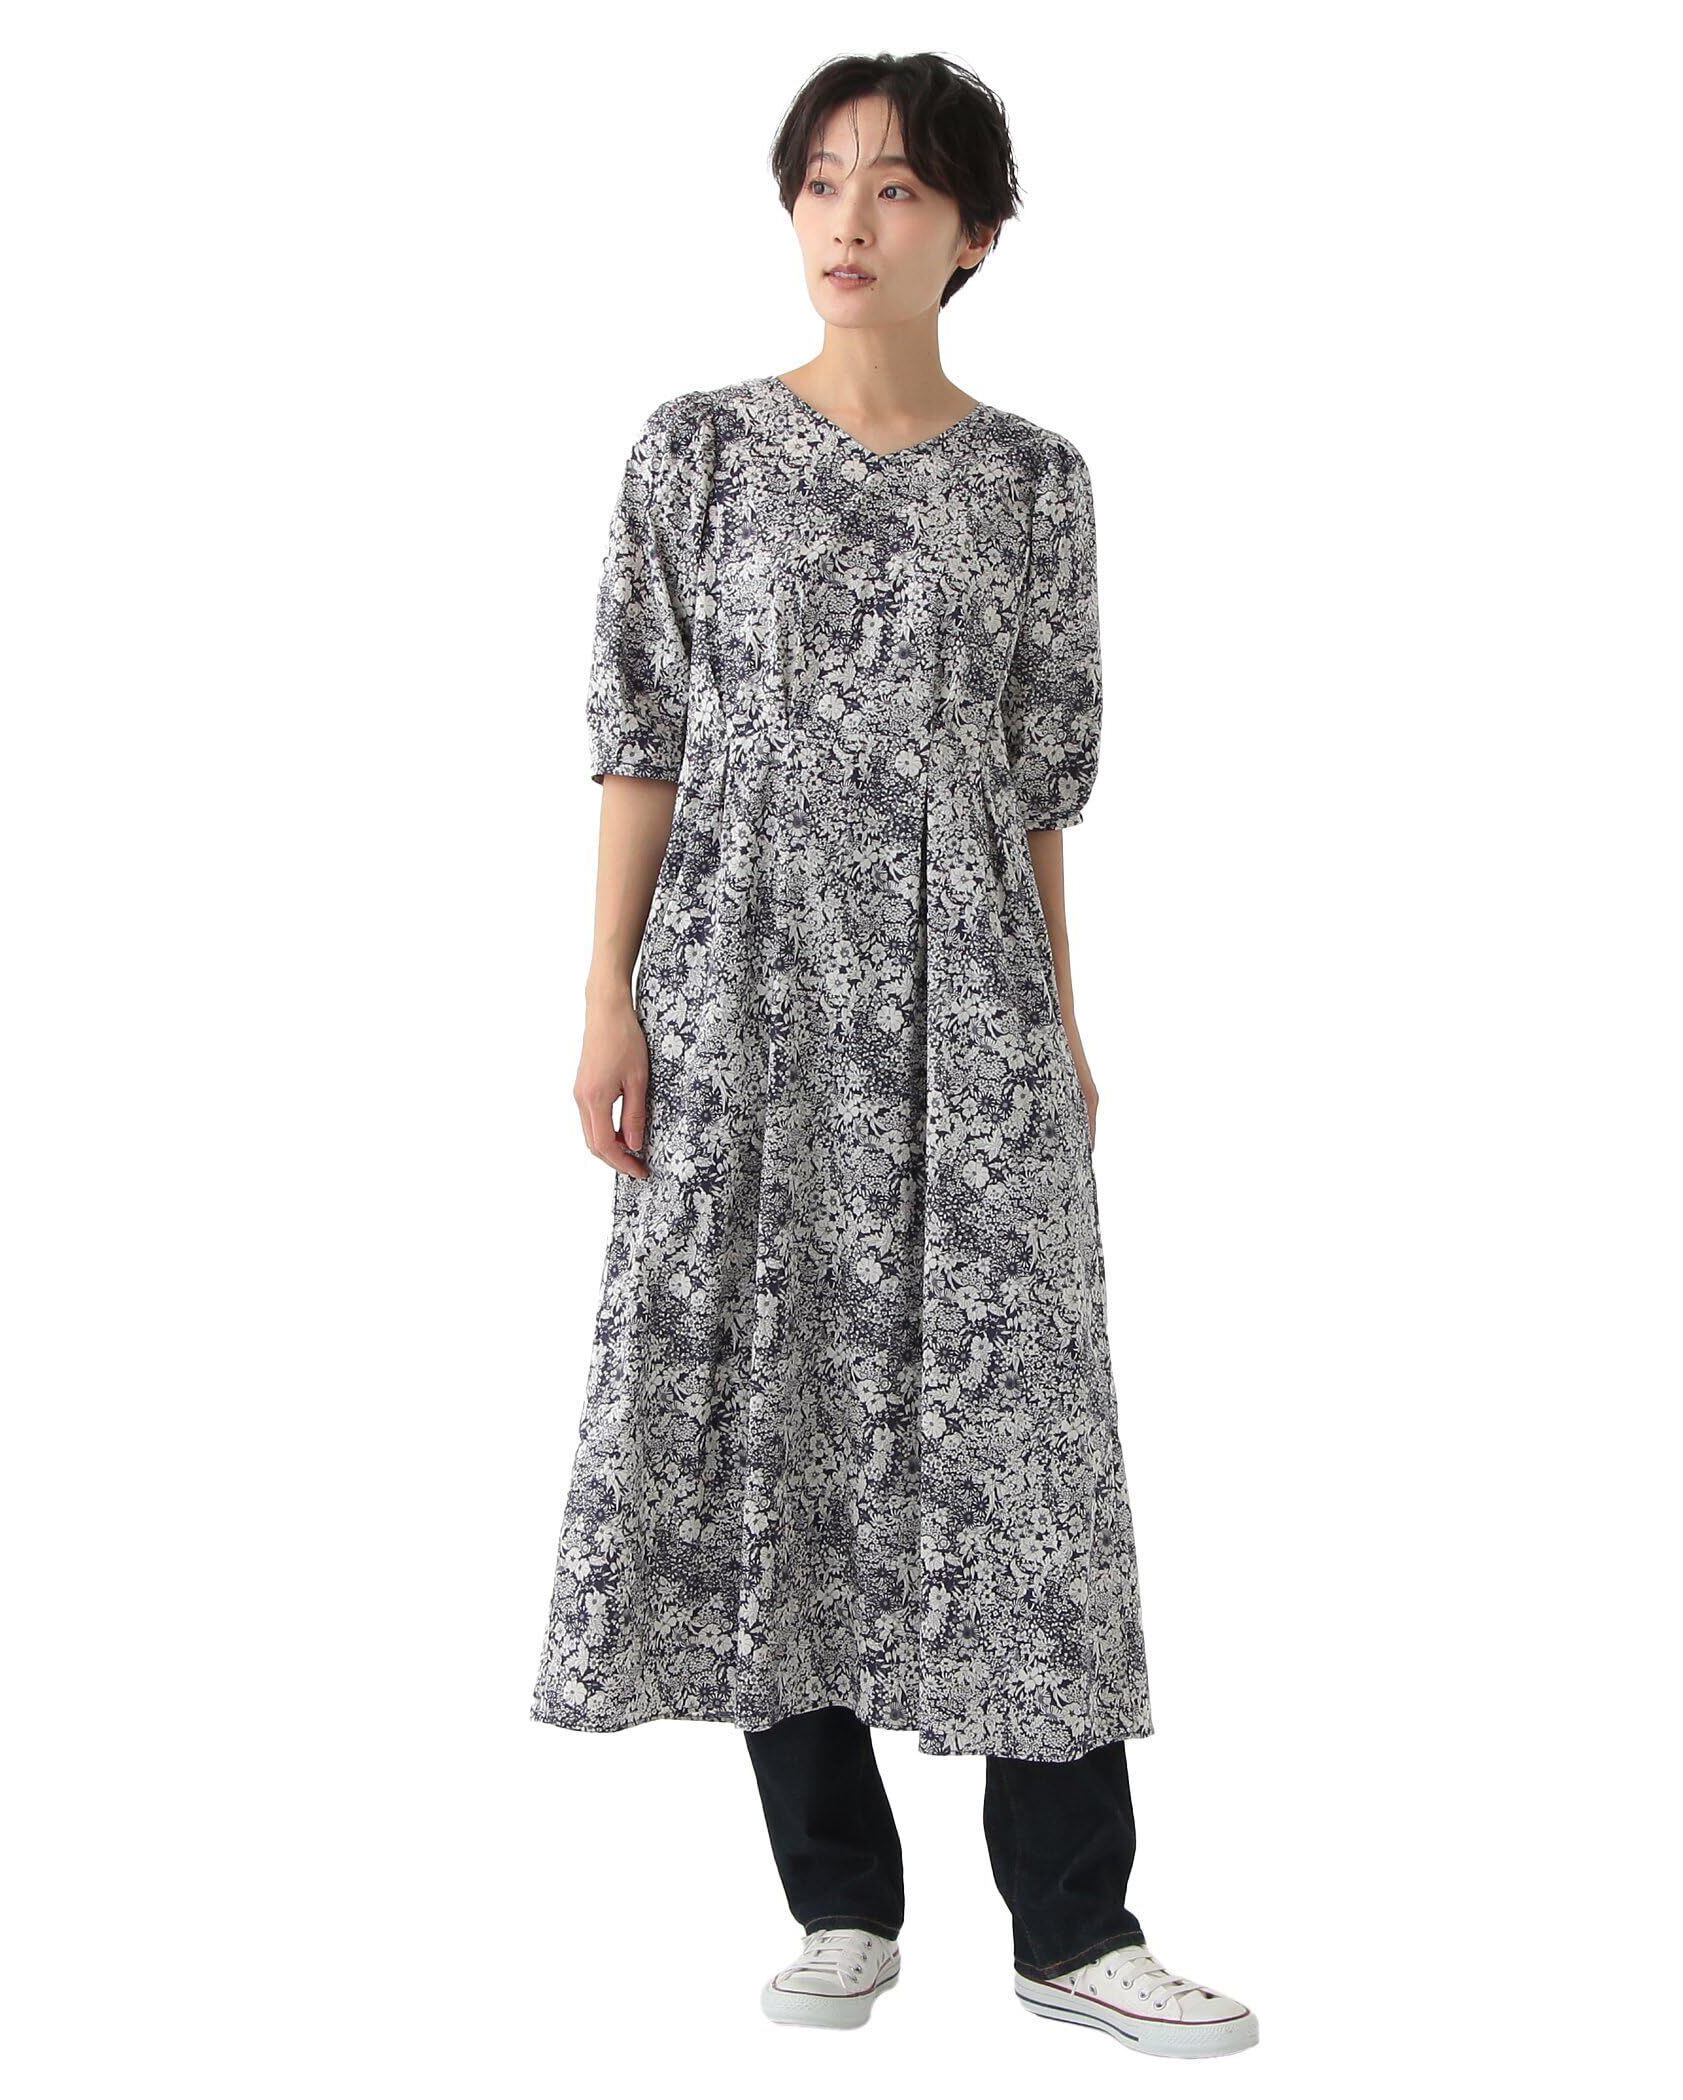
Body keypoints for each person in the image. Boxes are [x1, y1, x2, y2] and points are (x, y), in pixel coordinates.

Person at [530, 51, 1256, 2060]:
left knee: (1024, 1446)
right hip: (743, 996)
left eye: (901, 188)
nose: (852, 220)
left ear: (975, 234)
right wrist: (605, 993)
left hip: (971, 998)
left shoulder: (1037, 485)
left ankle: (1077, 1925)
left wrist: (1063, 1020)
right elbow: (642, 736)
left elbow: (1037, 784)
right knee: (781, 1408)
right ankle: (840, 1901)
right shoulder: (694, 452)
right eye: (823, 182)